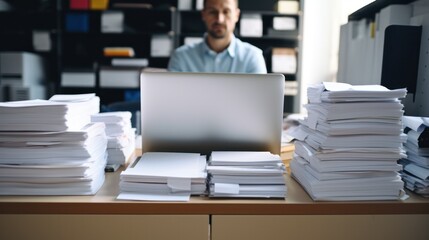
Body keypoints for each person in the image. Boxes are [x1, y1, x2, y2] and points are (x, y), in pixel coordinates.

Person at [168, 0, 267, 73]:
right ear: (203, 14)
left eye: (226, 11)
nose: (219, 19)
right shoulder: (181, 57)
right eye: (212, 12)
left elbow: (259, 99)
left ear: (236, 15)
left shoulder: (252, 57)